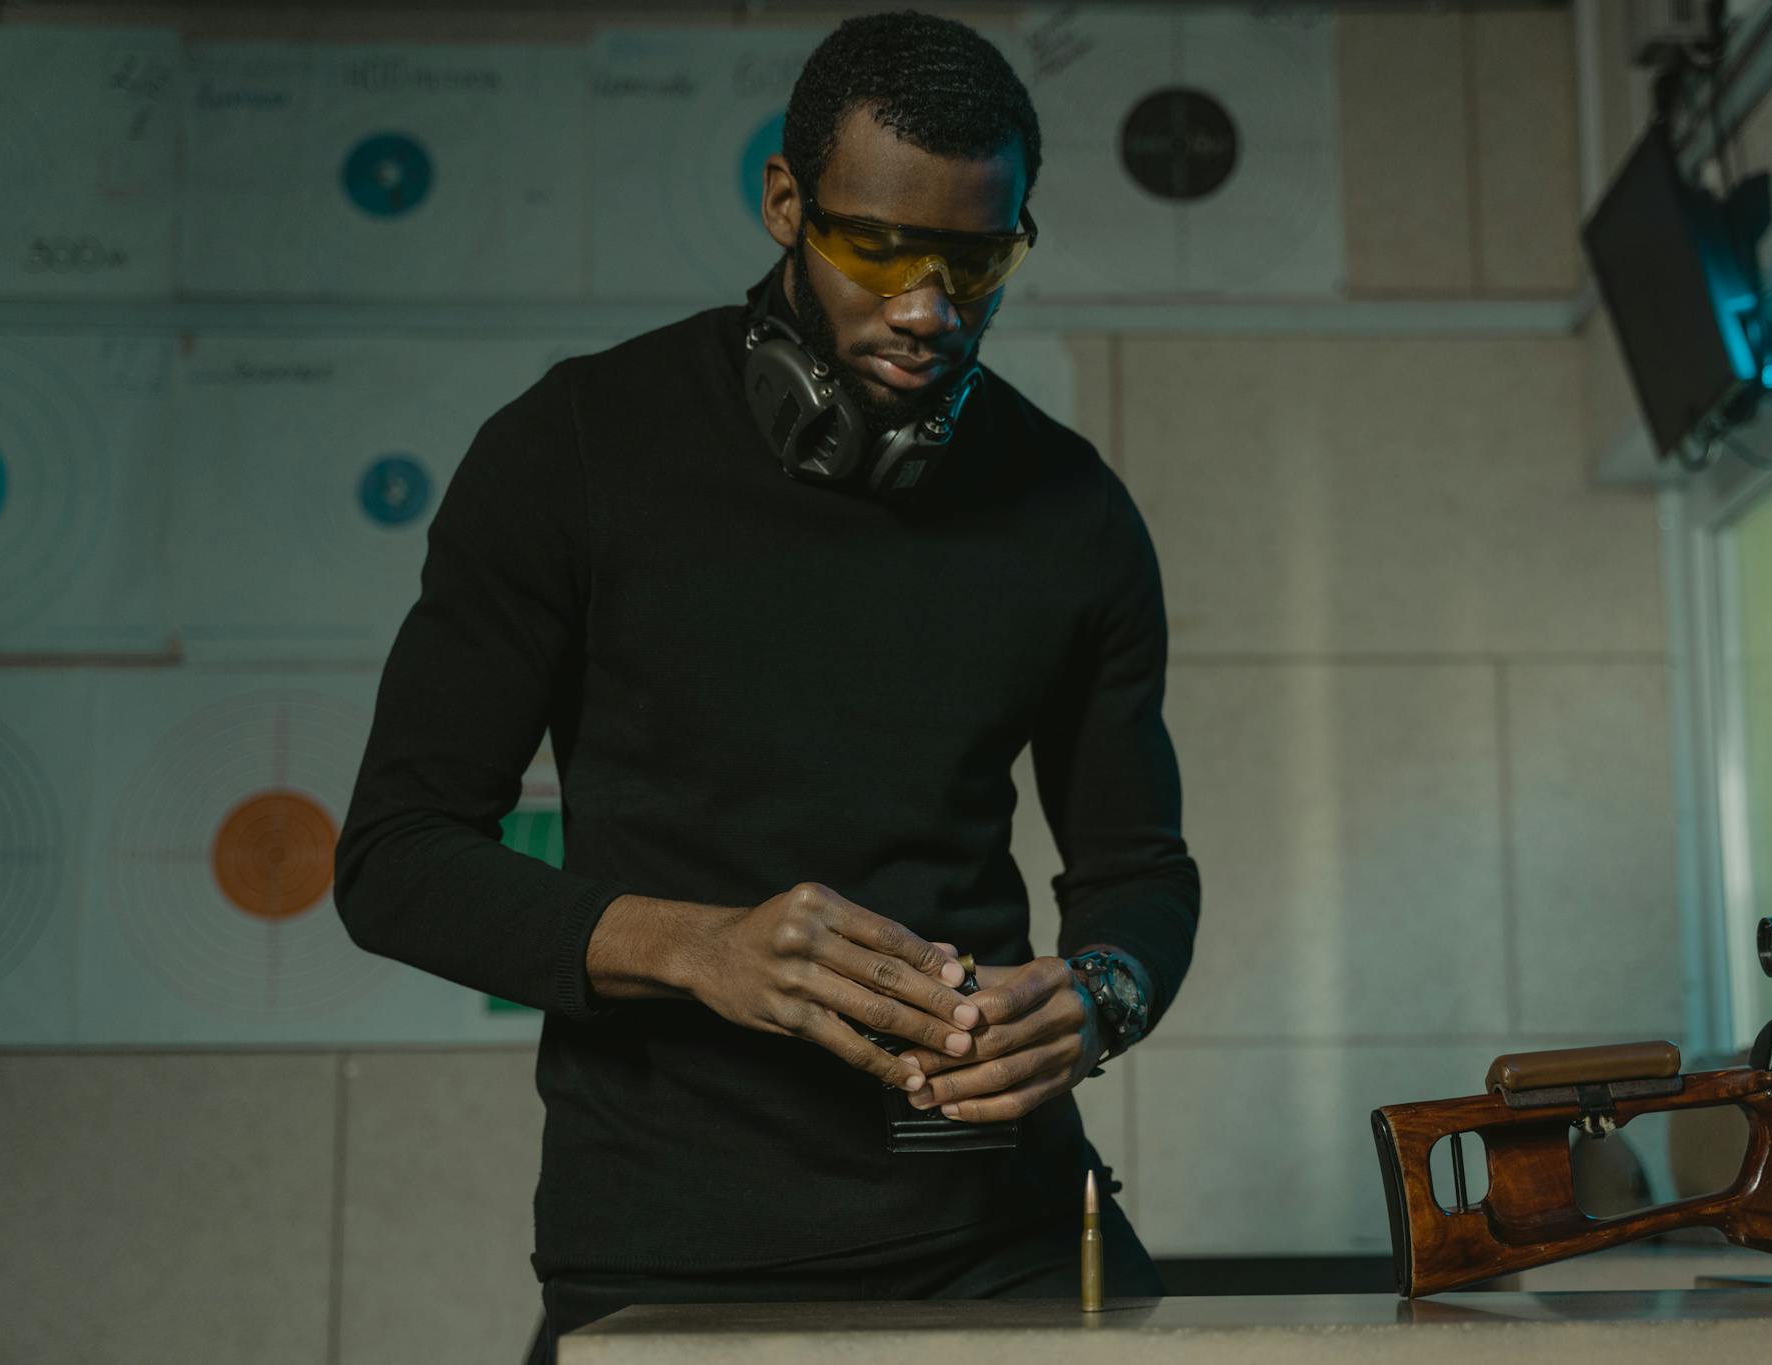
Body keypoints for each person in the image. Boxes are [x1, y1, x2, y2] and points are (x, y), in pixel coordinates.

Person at [333, 12, 1198, 1362]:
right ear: (786, 203)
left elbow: (1141, 870)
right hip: (674, 1242)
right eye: (879, 250)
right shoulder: (570, 449)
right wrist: (699, 947)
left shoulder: (1072, 509)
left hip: (1006, 1228)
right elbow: (395, 858)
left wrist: (1099, 993)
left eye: (979, 261)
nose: (931, 309)